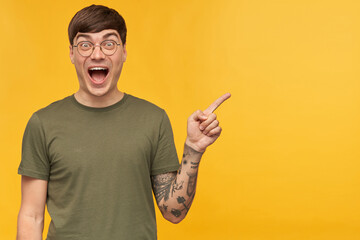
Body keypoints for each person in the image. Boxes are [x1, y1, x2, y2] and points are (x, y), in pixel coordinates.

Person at [16, 4, 230, 240]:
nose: (97, 54)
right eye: (85, 44)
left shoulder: (153, 119)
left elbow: (173, 211)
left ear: (124, 52)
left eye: (109, 43)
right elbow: (31, 216)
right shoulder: (43, 123)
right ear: (71, 53)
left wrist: (194, 149)